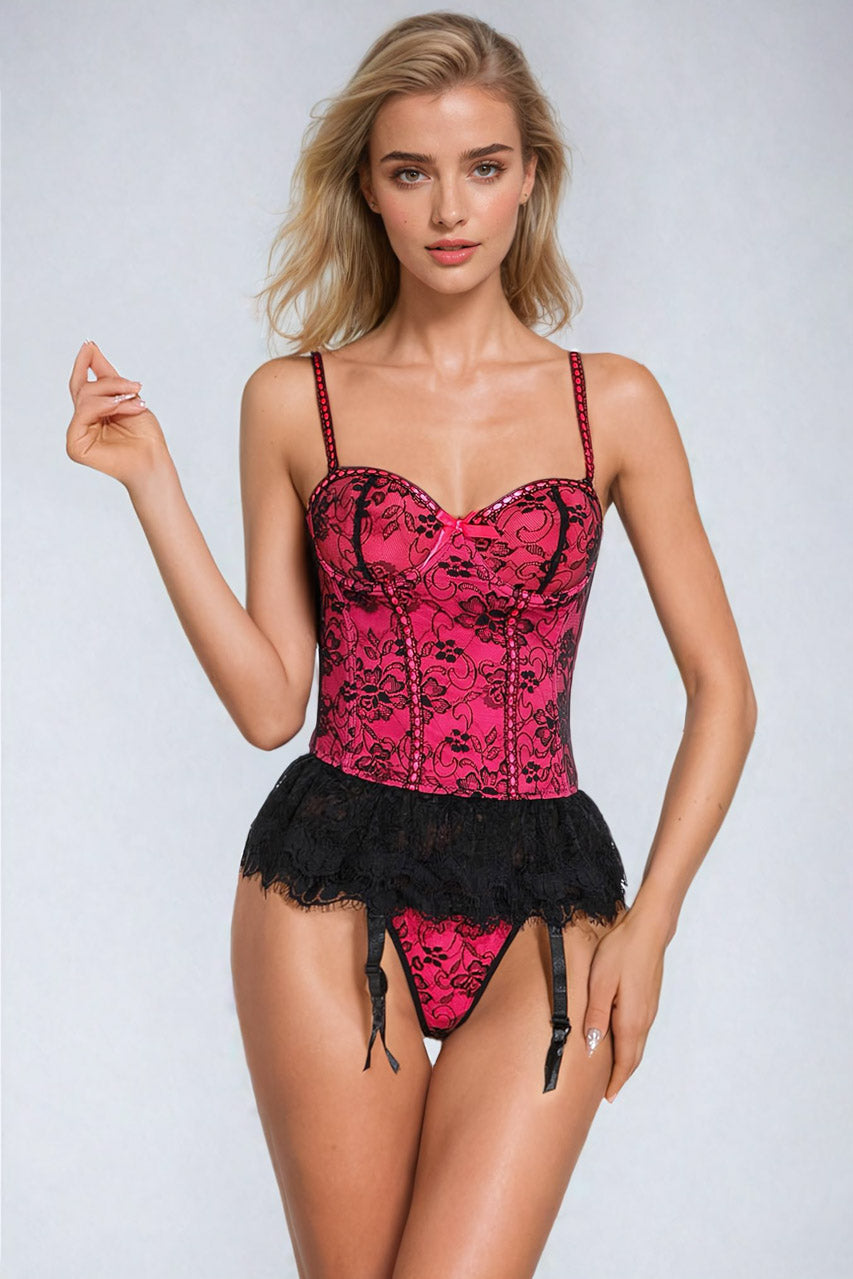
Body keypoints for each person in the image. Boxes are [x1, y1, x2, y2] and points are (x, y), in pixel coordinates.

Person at [65, 11, 757, 1278]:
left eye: (482, 167)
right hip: (332, 879)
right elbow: (271, 705)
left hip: (546, 892)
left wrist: (653, 925)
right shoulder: (296, 401)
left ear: (529, 175)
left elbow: (723, 691)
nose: (449, 209)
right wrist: (151, 482)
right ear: (368, 190)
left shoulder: (614, 403)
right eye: (410, 172)